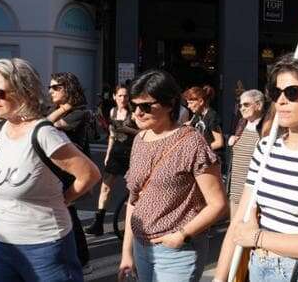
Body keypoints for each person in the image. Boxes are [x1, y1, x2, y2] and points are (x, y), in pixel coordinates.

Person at [213, 54, 298, 282]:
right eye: (276, 92)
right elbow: (240, 221)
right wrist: (219, 278)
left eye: (293, 92)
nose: (281, 101)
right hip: (258, 267)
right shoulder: (265, 148)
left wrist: (257, 238)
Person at [0, 58, 100, 281]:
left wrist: (64, 200)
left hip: (46, 247)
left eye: (1, 92)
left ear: (25, 93)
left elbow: (89, 174)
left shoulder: (44, 134)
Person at [118, 70, 227, 282]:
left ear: (169, 104)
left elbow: (218, 204)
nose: (137, 113)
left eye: (146, 106)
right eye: (134, 105)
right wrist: (126, 252)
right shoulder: (140, 139)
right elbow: (135, 199)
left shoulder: (192, 142)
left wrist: (181, 235)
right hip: (141, 246)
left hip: (177, 252)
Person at [47, 72, 93, 268]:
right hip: (54, 169)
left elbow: (46, 125)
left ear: (69, 88)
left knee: (67, 212)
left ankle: (82, 259)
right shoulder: (57, 108)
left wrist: (66, 107)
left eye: (56, 87)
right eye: (50, 87)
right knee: (62, 212)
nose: (51, 91)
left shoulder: (79, 112)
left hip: (69, 171)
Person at [86, 84, 139, 236]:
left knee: (133, 189)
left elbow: (143, 133)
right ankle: (99, 223)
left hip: (131, 153)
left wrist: (129, 130)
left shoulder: (134, 113)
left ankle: (132, 223)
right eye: (120, 95)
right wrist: (108, 153)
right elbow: (111, 134)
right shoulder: (113, 111)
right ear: (115, 97)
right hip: (116, 152)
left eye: (126, 96)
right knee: (105, 187)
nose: (123, 99)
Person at [226, 89, 270, 219]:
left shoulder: (267, 128)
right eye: (240, 105)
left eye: (246, 104)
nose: (241, 108)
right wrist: (231, 141)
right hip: (235, 190)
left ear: (259, 105)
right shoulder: (241, 124)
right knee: (234, 231)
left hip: (255, 194)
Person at [186, 85, 225, 152]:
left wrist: (201, 150)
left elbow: (219, 143)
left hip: (212, 158)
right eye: (188, 103)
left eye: (191, 103)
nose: (188, 106)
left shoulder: (212, 116)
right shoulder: (197, 115)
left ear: (201, 101)